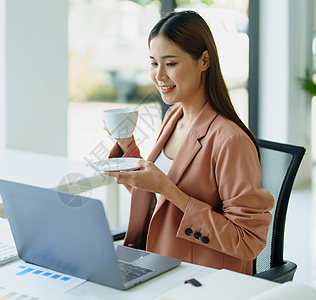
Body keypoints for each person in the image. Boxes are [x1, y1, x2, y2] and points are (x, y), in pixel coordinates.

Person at [103, 10, 274, 275]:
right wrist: (127, 145)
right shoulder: (174, 116)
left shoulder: (231, 140)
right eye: (153, 63)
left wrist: (170, 190)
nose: (159, 75)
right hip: (158, 263)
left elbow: (247, 241)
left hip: (200, 278)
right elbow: (157, 199)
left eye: (170, 63)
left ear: (204, 61)